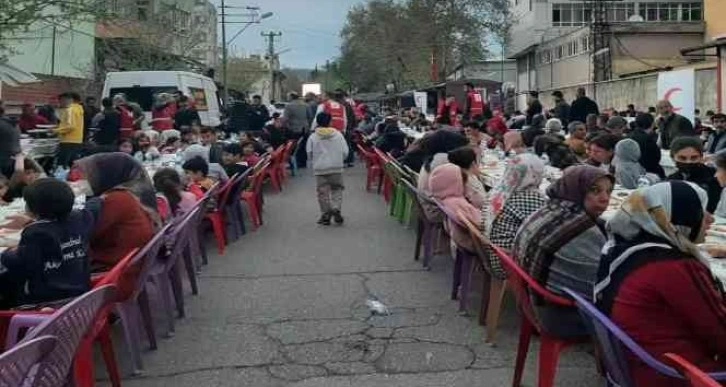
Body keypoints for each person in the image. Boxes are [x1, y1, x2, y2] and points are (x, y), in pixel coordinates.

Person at [595, 181, 726, 387]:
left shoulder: (626, 247)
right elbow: (720, 333)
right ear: (681, 218)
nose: (709, 219)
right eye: (701, 211)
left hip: (635, 361)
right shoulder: (675, 267)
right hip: (671, 373)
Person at [513, 165, 613, 336]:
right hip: (559, 316)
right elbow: (603, 286)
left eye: (609, 191)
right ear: (577, 190)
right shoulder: (580, 229)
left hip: (533, 303)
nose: (605, 198)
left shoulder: (552, 209)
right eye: (595, 191)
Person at [0, 179, 95, 308]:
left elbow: (22, 263)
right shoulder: (81, 218)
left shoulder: (35, 232)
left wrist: (6, 254)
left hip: (46, 299)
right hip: (79, 291)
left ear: (33, 208)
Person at [76, 153, 156, 271]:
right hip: (130, 263)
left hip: (116, 271)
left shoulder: (116, 199)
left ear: (106, 174)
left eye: (91, 174)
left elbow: (86, 233)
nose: (86, 179)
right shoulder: (131, 193)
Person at [487, 154, 547, 280]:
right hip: (509, 262)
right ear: (534, 175)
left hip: (493, 254)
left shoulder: (500, 189)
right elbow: (544, 228)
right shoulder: (530, 196)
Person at [428, 162, 483, 252]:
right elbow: (481, 224)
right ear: (456, 183)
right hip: (476, 245)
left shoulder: (446, 200)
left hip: (461, 242)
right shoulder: (459, 204)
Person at [306, 112, 349, 225]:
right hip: (336, 167)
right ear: (330, 122)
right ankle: (335, 208)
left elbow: (309, 153)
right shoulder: (338, 135)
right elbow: (345, 152)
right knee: (337, 189)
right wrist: (340, 160)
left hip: (320, 169)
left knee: (322, 192)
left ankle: (325, 214)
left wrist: (314, 161)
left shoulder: (313, 136)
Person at [667, 136, 721, 213]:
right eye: (682, 158)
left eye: (694, 158)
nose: (688, 162)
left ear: (701, 157)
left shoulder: (715, 177)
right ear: (673, 158)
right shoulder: (671, 180)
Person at [627, 113, 664, 178]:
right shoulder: (647, 140)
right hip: (648, 173)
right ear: (652, 124)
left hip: (630, 172)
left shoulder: (628, 136)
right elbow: (656, 157)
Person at [55, 92, 85, 168]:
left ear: (67, 99)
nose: (60, 103)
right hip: (77, 140)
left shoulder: (70, 110)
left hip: (67, 140)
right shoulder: (79, 109)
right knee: (72, 165)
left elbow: (71, 126)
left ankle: (61, 178)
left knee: (62, 165)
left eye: (61, 100)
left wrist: (55, 130)